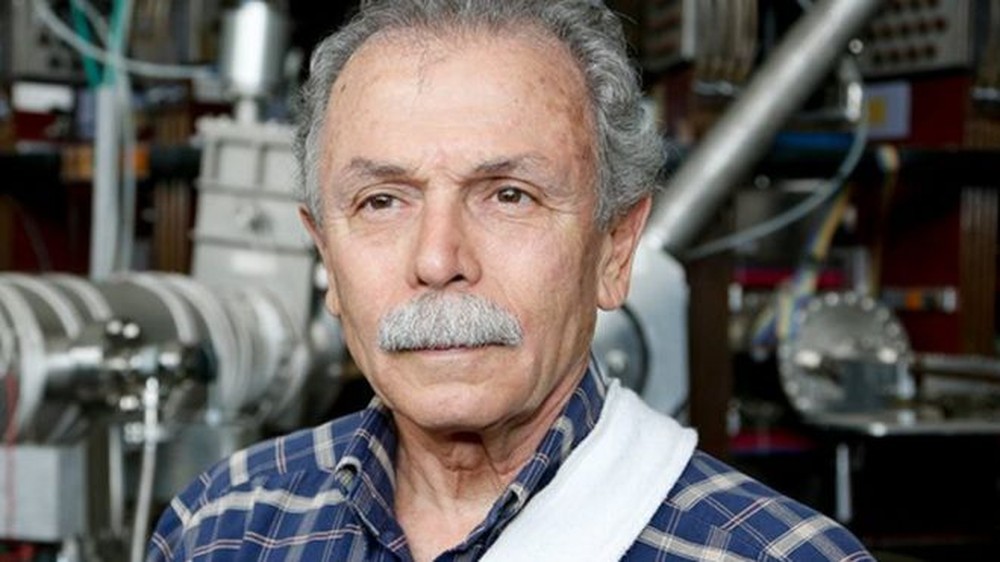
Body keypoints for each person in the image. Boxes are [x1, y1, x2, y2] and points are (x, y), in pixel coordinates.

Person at [148, 1, 874, 560]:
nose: (438, 260)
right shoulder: (223, 528)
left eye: (508, 195)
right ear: (326, 256)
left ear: (615, 248)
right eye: (382, 202)